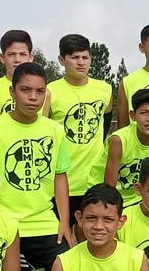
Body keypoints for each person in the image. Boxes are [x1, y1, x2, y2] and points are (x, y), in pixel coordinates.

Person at [0, 62, 73, 271]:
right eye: (25, 90)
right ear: (12, 91)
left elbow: (60, 177)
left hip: (43, 220)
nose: (33, 97)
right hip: (3, 219)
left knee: (65, 264)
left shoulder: (55, 130)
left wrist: (64, 222)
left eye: (40, 91)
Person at [47, 34, 113, 232]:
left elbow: (105, 123)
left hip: (93, 180)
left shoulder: (105, 89)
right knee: (62, 237)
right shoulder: (50, 92)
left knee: (92, 235)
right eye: (75, 57)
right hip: (62, 181)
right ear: (61, 60)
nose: (81, 62)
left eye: (85, 57)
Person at [103, 88, 149, 207]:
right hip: (106, 195)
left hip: (138, 198)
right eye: (143, 112)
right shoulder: (119, 139)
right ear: (133, 115)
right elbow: (108, 187)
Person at [0, 29, 47, 122]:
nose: (17, 60)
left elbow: (45, 124)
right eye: (11, 54)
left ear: (30, 57)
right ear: (2, 57)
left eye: (23, 54)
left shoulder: (44, 93)